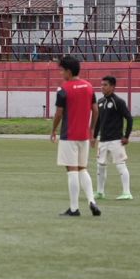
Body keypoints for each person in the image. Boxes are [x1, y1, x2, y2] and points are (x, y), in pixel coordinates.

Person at [49, 55, 100, 217]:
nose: (61, 74)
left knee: (71, 170)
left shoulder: (64, 89)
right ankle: (91, 200)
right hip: (84, 136)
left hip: (69, 135)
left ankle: (74, 208)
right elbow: (96, 110)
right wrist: (91, 130)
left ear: (69, 71)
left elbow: (59, 113)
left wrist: (53, 129)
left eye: (62, 70)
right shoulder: (89, 87)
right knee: (82, 168)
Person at [93, 75, 134, 200]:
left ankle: (127, 193)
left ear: (112, 87)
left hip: (116, 140)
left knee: (120, 164)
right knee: (100, 166)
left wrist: (126, 136)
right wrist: (94, 137)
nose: (102, 87)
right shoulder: (100, 102)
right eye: (101, 85)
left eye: (105, 85)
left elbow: (129, 118)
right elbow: (98, 121)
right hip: (103, 140)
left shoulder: (118, 102)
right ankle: (100, 192)